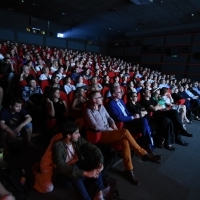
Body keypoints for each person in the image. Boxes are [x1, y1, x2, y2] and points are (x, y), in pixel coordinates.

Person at [85, 91, 162, 185]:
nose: (102, 98)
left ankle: (129, 170)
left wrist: (112, 123)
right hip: (100, 135)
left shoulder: (102, 107)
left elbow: (109, 117)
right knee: (125, 132)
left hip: (109, 131)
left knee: (125, 142)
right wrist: (109, 129)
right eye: (99, 97)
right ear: (94, 100)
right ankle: (143, 153)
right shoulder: (88, 110)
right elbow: (95, 126)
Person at [52, 121, 105, 200]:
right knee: (74, 171)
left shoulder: (78, 140)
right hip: (66, 173)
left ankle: (99, 195)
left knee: (95, 162)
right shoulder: (58, 146)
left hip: (77, 165)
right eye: (76, 133)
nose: (79, 135)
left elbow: (94, 148)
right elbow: (61, 166)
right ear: (69, 135)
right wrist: (86, 173)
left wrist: (100, 163)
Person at [107, 86, 154, 153]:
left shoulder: (121, 101)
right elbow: (118, 117)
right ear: (114, 94)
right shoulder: (111, 104)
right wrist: (132, 117)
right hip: (125, 124)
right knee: (144, 122)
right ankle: (148, 146)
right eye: (119, 92)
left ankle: (147, 146)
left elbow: (126, 112)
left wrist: (133, 115)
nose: (122, 93)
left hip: (131, 120)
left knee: (145, 122)